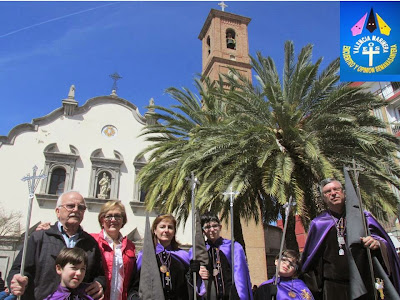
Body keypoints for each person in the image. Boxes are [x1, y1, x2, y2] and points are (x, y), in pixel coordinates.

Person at [300, 178, 400, 300]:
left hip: (364, 283)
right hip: (333, 287)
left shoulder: (363, 218)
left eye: (336, 189)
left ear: (343, 192)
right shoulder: (318, 223)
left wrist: (377, 243)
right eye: (328, 191)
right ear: (324, 198)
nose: (333, 193)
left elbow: (384, 242)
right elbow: (311, 259)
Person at [7, 191, 105, 300]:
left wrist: (100, 283)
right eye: (70, 206)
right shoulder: (39, 238)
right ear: (58, 211)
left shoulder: (91, 243)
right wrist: (16, 281)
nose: (76, 210)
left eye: (81, 207)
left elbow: (99, 274)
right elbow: (18, 270)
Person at [132, 214, 191, 300]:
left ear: (174, 232)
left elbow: (189, 285)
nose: (166, 230)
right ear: (155, 230)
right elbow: (135, 285)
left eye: (170, 227)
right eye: (162, 227)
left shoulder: (183, 256)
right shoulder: (144, 256)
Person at [200, 214, 253, 300]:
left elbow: (241, 275)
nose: (212, 230)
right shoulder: (199, 251)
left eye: (214, 226)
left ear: (220, 227)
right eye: (207, 227)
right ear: (203, 231)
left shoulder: (233, 247)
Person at [91, 201, 136, 300]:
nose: (113, 219)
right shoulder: (91, 241)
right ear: (102, 220)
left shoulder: (130, 246)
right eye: (108, 216)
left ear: (123, 220)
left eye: (117, 216)